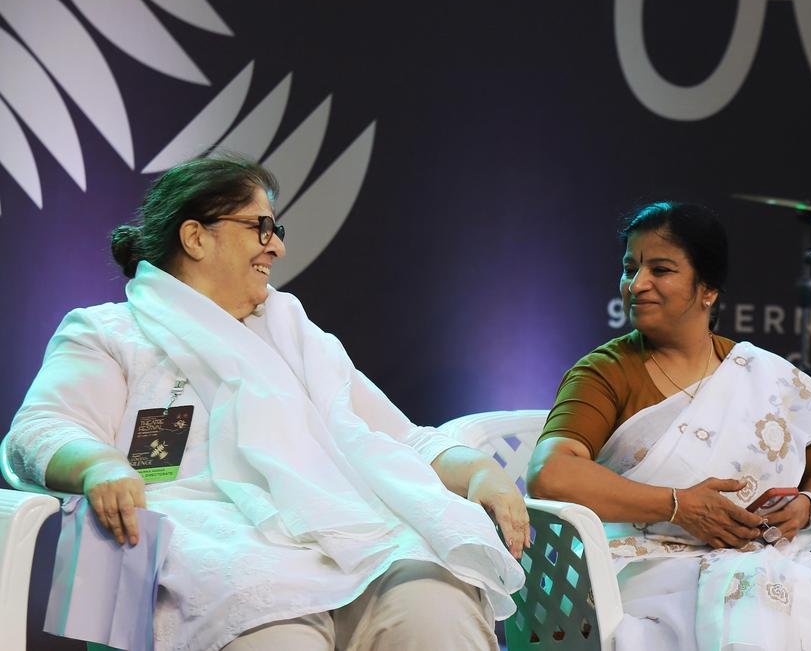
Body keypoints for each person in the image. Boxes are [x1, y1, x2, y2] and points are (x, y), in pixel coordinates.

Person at [7, 154, 526, 651]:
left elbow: (399, 439)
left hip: (343, 532)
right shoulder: (109, 331)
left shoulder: (296, 335)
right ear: (195, 237)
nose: (275, 247)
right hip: (204, 538)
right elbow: (41, 428)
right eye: (260, 228)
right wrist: (99, 465)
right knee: (275, 626)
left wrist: (479, 470)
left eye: (276, 231)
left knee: (435, 605)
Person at [526, 201, 811, 650]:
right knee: (750, 597)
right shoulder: (605, 371)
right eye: (629, 269)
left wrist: (806, 507)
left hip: (763, 557)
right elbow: (551, 472)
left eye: (660, 270)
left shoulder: (760, 373)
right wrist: (677, 506)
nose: (636, 284)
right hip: (642, 565)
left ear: (708, 289)